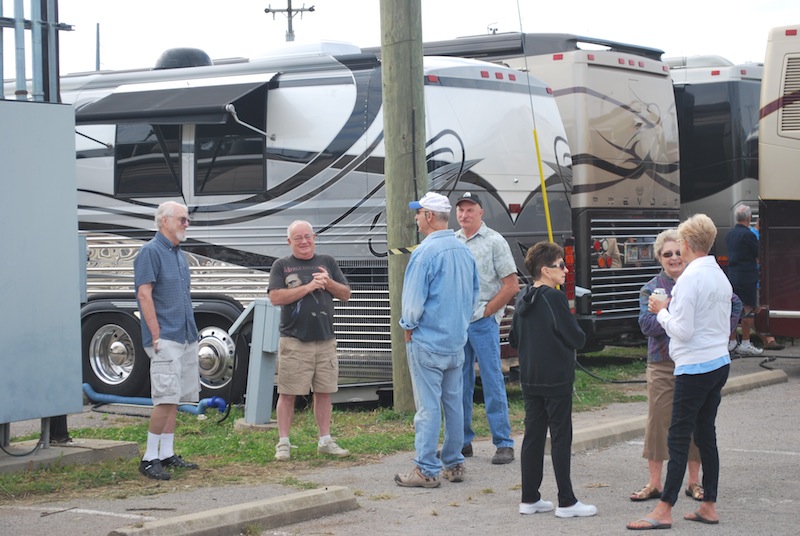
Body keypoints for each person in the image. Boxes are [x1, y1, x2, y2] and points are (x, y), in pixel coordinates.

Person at [627, 214, 732, 530]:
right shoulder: (719, 276)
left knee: (677, 436)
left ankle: (663, 509)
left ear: (686, 244)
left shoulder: (689, 280)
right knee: (705, 435)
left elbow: (682, 330)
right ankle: (708, 505)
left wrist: (662, 313)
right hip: (718, 362)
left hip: (693, 367)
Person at [395, 192, 479, 488]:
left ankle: (426, 469)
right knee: (454, 404)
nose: (416, 217)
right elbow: (474, 295)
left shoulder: (424, 254)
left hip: (428, 340)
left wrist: (408, 327)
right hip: (456, 340)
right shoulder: (463, 250)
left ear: (429, 216)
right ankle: (454, 463)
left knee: (428, 407)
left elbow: (413, 303)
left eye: (418, 213)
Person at [509, 241, 597, 518]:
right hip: (556, 378)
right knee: (561, 437)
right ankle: (567, 501)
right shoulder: (555, 298)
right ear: (546, 270)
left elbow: (513, 338)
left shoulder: (523, 297)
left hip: (530, 377)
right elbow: (576, 337)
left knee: (533, 436)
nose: (566, 269)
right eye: (561, 265)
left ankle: (529, 497)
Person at [268, 220, 352, 461]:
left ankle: (325, 440)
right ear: (289, 242)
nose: (304, 241)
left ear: (314, 237)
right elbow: (276, 297)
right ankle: (283, 442)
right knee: (288, 392)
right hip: (295, 340)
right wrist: (309, 287)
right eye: (298, 238)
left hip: (325, 339)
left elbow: (345, 294)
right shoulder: (281, 266)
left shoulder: (327, 262)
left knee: (324, 392)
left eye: (308, 236)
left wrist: (328, 282)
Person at [134, 201, 201, 480]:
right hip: (167, 337)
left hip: (185, 334)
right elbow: (144, 294)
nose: (186, 224)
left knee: (174, 398)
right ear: (164, 221)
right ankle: (149, 458)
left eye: (187, 220)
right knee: (164, 398)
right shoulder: (150, 252)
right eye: (182, 220)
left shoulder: (178, 254)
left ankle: (166, 453)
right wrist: (156, 334)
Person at [454, 192, 518, 465]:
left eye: (470, 210)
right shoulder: (453, 242)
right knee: (459, 383)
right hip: (457, 322)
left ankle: (503, 443)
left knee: (492, 380)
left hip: (483, 322)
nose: (464, 215)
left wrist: (490, 312)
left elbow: (511, 285)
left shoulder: (494, 241)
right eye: (461, 210)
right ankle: (463, 441)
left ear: (481, 212)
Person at [726, 204, 772, 355]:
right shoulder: (749, 235)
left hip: (732, 275)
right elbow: (759, 254)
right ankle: (745, 342)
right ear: (748, 218)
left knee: (732, 309)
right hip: (747, 276)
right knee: (748, 310)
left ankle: (732, 341)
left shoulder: (730, 234)